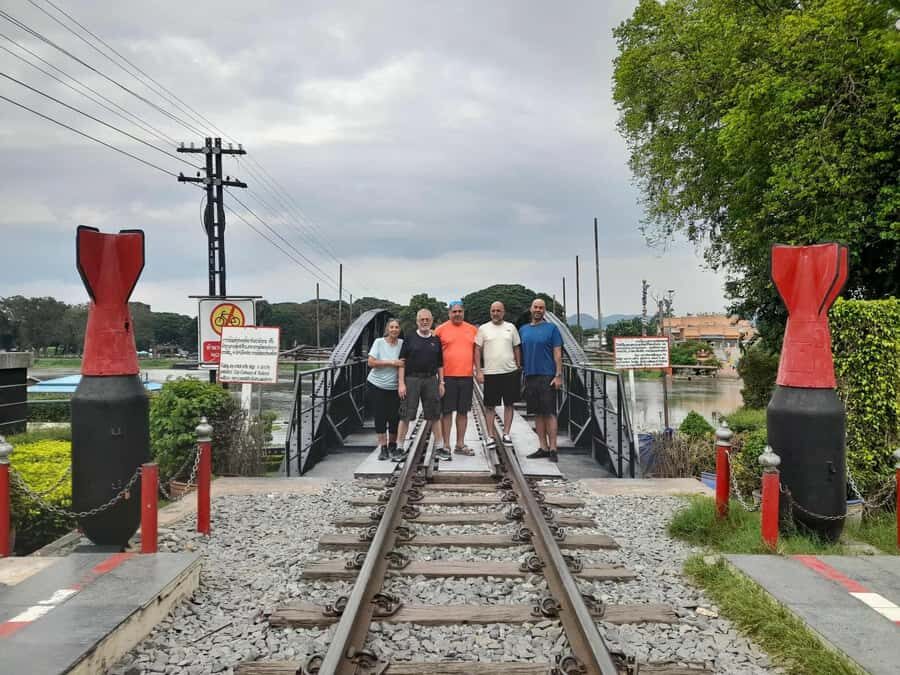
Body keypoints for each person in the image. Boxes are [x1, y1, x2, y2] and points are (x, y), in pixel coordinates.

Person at [396, 308, 446, 461]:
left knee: (435, 414)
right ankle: (399, 447)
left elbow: (440, 364)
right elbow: (402, 362)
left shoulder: (436, 340)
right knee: (406, 414)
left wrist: (441, 382)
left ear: (432, 321)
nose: (425, 322)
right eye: (421, 319)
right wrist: (401, 383)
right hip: (412, 379)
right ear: (417, 321)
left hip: (431, 379)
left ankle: (440, 447)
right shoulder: (409, 338)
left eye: (427, 319)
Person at [519, 298, 563, 462]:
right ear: (531, 309)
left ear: (544, 311)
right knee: (537, 413)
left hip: (547, 376)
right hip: (530, 375)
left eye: (541, 308)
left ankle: (553, 449)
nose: (538, 310)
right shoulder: (523, 330)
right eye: (535, 307)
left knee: (550, 413)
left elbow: (557, 353)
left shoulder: (552, 329)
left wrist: (558, 375)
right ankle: (542, 447)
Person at [435, 300, 478, 459]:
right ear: (449, 313)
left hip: (466, 376)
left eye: (460, 311)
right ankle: (446, 445)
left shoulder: (473, 330)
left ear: (463, 312)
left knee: (463, 412)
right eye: (454, 311)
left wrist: (479, 371)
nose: (457, 314)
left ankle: (460, 444)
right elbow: (434, 353)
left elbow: (478, 352)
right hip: (447, 377)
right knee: (446, 412)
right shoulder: (440, 330)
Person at [475, 301, 521, 445]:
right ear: (490, 312)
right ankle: (490, 436)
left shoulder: (511, 327)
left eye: (498, 310)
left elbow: (516, 348)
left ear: (503, 312)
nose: (495, 313)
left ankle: (506, 433)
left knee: (509, 404)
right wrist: (478, 371)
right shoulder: (483, 329)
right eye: (493, 310)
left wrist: (518, 366)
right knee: (490, 406)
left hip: (509, 371)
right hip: (491, 373)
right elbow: (477, 350)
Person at [366, 318, 403, 460]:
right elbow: (371, 362)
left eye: (397, 327)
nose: (394, 329)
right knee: (380, 417)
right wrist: (392, 362)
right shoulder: (379, 342)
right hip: (377, 385)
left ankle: (393, 445)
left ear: (399, 330)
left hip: (394, 387)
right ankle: (383, 447)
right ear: (387, 329)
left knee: (395, 417)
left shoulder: (402, 344)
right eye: (392, 327)